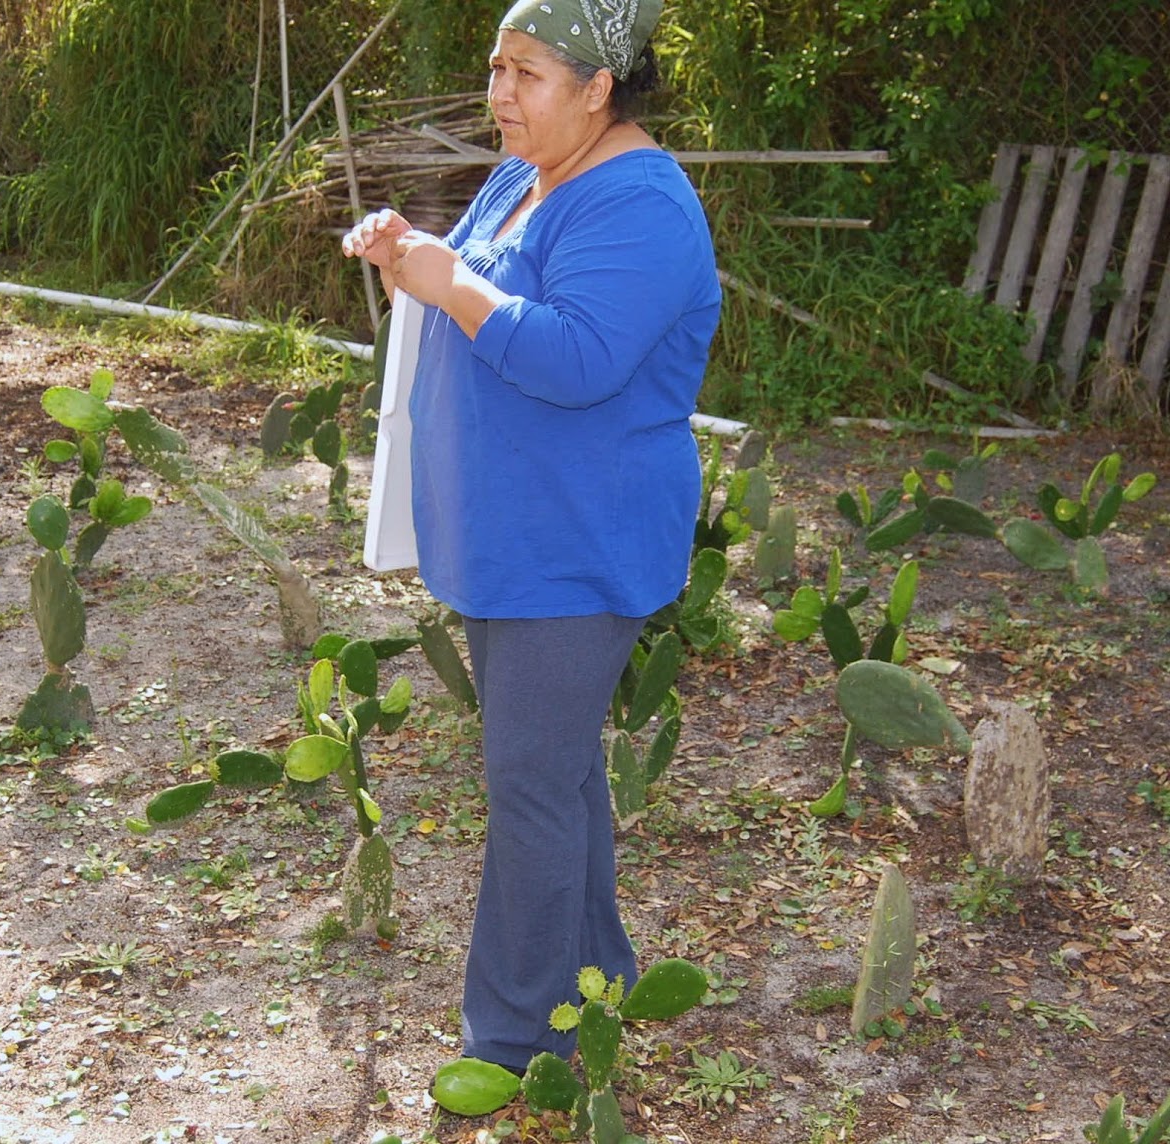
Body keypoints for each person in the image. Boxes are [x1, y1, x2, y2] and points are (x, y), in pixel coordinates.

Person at [341, 0, 719, 1072]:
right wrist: (410, 250)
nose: (500, 95)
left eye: (528, 75)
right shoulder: (524, 174)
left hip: (577, 549)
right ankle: (599, 975)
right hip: (511, 541)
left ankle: (513, 1042)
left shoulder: (642, 204)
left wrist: (445, 281)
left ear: (599, 88)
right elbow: (473, 279)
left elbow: (576, 358)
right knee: (556, 775)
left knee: (528, 786)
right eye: (496, 68)